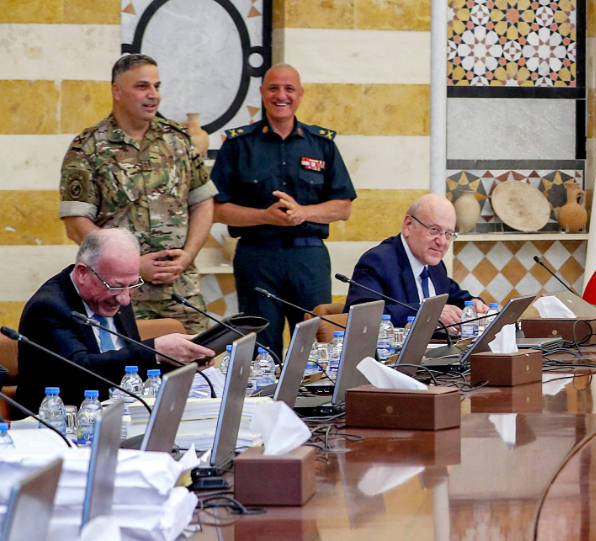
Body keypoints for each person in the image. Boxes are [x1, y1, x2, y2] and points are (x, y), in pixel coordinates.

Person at [59, 53, 216, 333]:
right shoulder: (88, 148)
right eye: (142, 86)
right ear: (116, 91)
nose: (153, 95)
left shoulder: (178, 141)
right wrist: (133, 265)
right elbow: (76, 225)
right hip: (119, 296)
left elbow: (203, 203)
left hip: (180, 293)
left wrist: (188, 254)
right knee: (126, 373)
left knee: (198, 370)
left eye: (157, 86)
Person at [211, 64, 356, 355]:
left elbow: (343, 207)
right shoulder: (239, 144)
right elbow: (216, 209)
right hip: (257, 258)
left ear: (300, 94)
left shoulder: (322, 144)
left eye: (289, 89)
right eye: (274, 88)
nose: (282, 95)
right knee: (261, 349)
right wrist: (264, 216)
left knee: (318, 343)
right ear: (263, 93)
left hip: (308, 259)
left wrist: (303, 213)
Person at [13, 229, 215, 413]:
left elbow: (127, 367)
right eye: (117, 286)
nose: (125, 298)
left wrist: (179, 362)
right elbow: (82, 371)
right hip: (58, 423)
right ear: (83, 273)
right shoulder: (49, 307)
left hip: (121, 413)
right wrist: (156, 350)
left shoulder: (116, 290)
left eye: (133, 285)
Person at [345, 194, 489, 327]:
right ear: (408, 225)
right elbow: (362, 317)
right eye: (434, 230)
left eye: (448, 234)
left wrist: (474, 305)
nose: (442, 242)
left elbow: (455, 296)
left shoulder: (434, 266)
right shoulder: (378, 261)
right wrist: (428, 313)